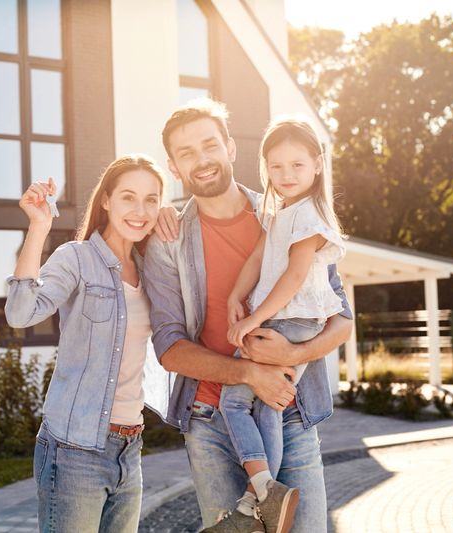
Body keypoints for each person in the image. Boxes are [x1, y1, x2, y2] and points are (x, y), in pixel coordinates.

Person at [143, 98, 353, 533]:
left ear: (231, 148)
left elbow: (343, 319)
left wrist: (293, 353)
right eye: (187, 153)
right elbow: (169, 347)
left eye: (209, 145)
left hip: (289, 410)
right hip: (211, 422)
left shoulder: (287, 211)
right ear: (173, 166)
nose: (201, 160)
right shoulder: (167, 240)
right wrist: (248, 375)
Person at [200, 117, 347, 533]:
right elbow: (257, 261)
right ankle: (264, 493)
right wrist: (234, 297)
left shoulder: (310, 215)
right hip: (287, 320)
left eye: (297, 166)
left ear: (317, 165)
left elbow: (295, 276)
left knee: (233, 403)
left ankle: (260, 495)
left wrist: (253, 317)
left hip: (292, 322)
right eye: (277, 167)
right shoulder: (282, 213)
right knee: (268, 402)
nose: (286, 175)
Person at [4, 154, 164, 533]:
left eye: (151, 199)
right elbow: (20, 313)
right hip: (75, 449)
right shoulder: (78, 258)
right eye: (128, 197)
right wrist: (39, 227)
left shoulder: (152, 268)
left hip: (131, 447)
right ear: (105, 200)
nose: (140, 210)